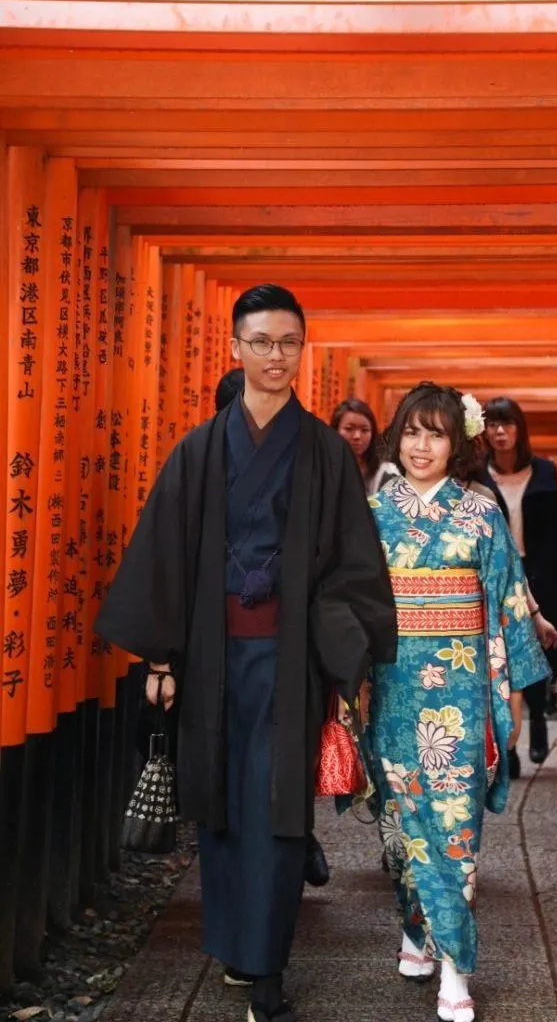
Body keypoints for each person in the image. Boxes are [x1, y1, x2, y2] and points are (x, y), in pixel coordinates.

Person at [95, 284, 397, 1022]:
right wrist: (162, 660)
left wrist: (345, 655)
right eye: (260, 341)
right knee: (220, 806)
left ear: (302, 350)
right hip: (208, 656)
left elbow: (353, 562)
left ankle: (268, 968)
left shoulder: (324, 451)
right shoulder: (199, 451)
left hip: (288, 660)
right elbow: (164, 553)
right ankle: (236, 947)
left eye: (287, 343)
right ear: (235, 347)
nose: (273, 356)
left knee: (277, 807)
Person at [367, 383, 548, 1022]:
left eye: (436, 434)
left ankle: (455, 966)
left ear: (456, 443)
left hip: (461, 692)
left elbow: (507, 592)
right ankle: (417, 930)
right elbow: (351, 600)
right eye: (412, 432)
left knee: (452, 825)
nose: (422, 446)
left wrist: (522, 651)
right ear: (398, 437)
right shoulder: (374, 511)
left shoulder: (480, 512)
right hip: (391, 686)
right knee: (401, 822)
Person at [216, 366, 331, 889]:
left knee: (278, 768)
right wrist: (161, 659)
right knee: (226, 775)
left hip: (290, 641)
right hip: (215, 647)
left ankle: (291, 849)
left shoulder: (310, 459)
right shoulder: (201, 460)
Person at [482, 397, 557, 765]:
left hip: (543, 577)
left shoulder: (543, 472)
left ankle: (538, 718)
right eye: (493, 424)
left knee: (538, 654)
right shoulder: (478, 473)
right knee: (499, 659)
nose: (500, 432)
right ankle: (507, 745)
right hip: (496, 576)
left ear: (519, 429)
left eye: (507, 424)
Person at [331, 397, 400, 494]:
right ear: (334, 431)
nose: (357, 436)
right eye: (349, 429)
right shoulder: (321, 467)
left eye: (364, 430)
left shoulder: (387, 472)